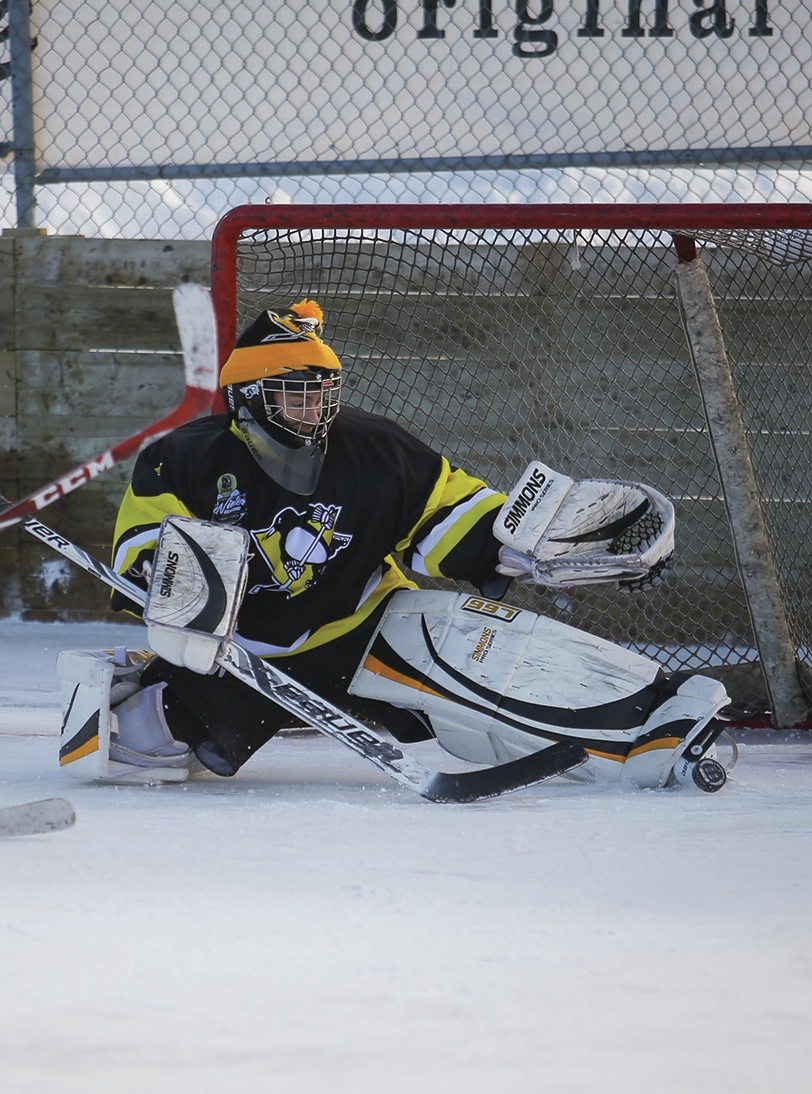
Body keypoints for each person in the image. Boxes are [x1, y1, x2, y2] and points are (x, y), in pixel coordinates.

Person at [57, 298, 728, 791]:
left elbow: (454, 512)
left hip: (363, 623)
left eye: (322, 394)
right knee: (141, 751)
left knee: (478, 652)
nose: (314, 412)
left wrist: (535, 540)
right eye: (295, 397)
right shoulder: (183, 459)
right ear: (248, 399)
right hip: (245, 655)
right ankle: (134, 687)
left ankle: (656, 712)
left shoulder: (376, 448)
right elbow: (137, 548)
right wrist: (168, 584)